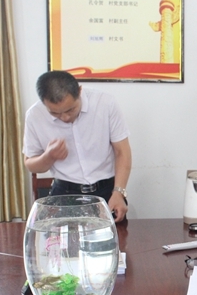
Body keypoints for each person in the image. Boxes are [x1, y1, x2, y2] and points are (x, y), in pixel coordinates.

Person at [23, 71, 131, 222]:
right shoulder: (34, 116)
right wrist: (48, 157)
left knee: (115, 236)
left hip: (107, 191)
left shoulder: (105, 103)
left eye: (70, 109)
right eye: (55, 113)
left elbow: (122, 152)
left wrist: (119, 192)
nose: (65, 117)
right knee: (62, 237)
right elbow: (30, 165)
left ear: (79, 91)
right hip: (64, 193)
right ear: (43, 102)